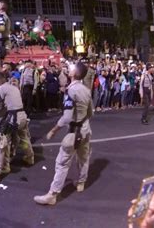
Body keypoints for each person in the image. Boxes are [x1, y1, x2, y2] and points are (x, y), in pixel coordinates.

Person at [34, 62, 93, 205]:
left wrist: (54, 129)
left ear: (74, 74)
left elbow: (67, 117)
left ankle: (52, 194)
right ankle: (80, 183)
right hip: (85, 129)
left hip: (73, 132)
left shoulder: (71, 91)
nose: (69, 69)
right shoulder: (86, 90)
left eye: (71, 69)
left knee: (62, 162)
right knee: (83, 158)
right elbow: (91, 112)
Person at [0, 72, 34, 183]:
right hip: (22, 116)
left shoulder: (1, 88)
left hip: (13, 118)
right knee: (24, 138)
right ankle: (29, 158)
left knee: (1, 144)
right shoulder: (14, 87)